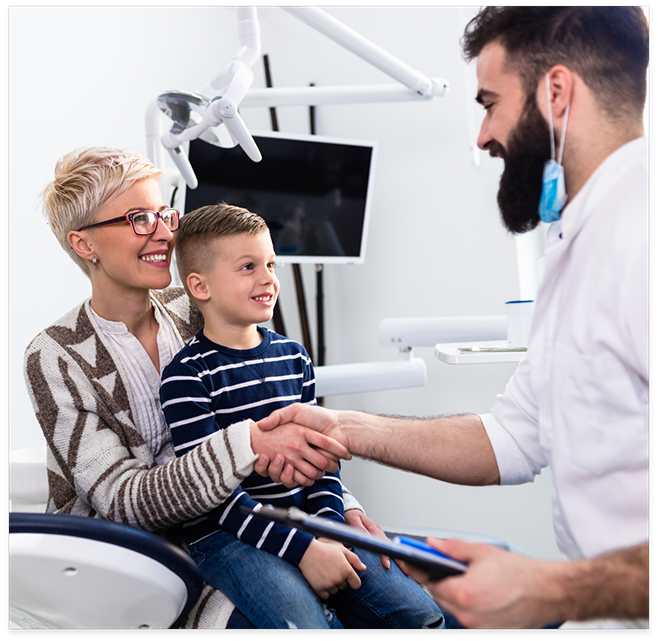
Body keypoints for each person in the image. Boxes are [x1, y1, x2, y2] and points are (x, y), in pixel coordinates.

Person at [257, 6, 649, 629]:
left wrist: (556, 590)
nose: (482, 134)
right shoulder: (578, 242)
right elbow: (515, 437)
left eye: (490, 103)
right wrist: (346, 427)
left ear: (556, 92)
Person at [23, 146, 372, 629]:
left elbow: (282, 411)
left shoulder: (194, 306)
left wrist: (342, 511)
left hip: (242, 525)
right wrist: (249, 443)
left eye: (165, 213)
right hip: (129, 561)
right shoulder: (55, 356)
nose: (166, 232)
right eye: (139, 219)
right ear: (85, 245)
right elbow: (126, 503)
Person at [160, 203, 446, 629]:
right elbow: (216, 497)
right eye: (248, 267)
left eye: (271, 263)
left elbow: (325, 463)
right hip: (229, 537)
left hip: (309, 519)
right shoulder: (185, 376)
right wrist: (304, 551)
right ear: (200, 286)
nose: (268, 278)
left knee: (421, 616)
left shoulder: (294, 357)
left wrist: (330, 532)